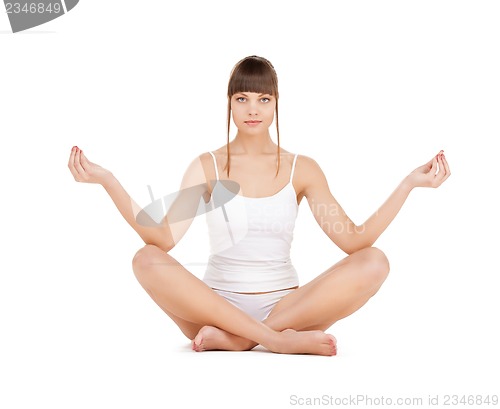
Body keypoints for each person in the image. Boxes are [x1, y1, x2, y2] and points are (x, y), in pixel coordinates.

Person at [67, 55, 450, 356]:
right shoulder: (209, 166)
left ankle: (239, 341)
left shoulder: (303, 169)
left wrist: (410, 184)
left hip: (288, 308)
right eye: (243, 98)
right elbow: (162, 237)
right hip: (212, 308)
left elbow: (354, 240)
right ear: (230, 104)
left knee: (375, 261)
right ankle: (275, 341)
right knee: (145, 258)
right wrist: (107, 180)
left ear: (276, 104)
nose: (253, 109)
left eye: (263, 99)